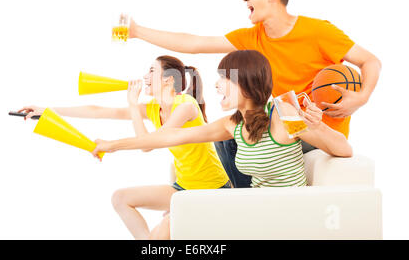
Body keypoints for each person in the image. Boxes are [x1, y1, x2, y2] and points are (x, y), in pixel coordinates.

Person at [124, 0, 381, 187]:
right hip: (283, 122)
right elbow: (195, 43)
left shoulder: (318, 32)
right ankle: (244, 203)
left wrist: (362, 97)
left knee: (236, 136)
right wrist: (137, 31)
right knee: (229, 137)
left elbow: (370, 61)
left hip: (316, 130)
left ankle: (245, 205)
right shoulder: (253, 37)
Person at [91, 50, 353, 239]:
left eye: (224, 78)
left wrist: (318, 127)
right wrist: (112, 145)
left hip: (288, 216)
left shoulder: (283, 114)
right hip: (254, 212)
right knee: (166, 228)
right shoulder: (232, 124)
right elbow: (171, 137)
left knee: (169, 225)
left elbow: (344, 150)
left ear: (247, 82)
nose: (216, 85)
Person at [18, 55, 229, 240]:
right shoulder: (153, 108)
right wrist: (46, 111)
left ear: (168, 79)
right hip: (182, 187)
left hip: (210, 190)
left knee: (160, 236)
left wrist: (131, 109)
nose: (145, 76)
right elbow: (98, 111)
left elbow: (150, 143)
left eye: (152, 70)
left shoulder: (186, 105)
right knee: (120, 199)